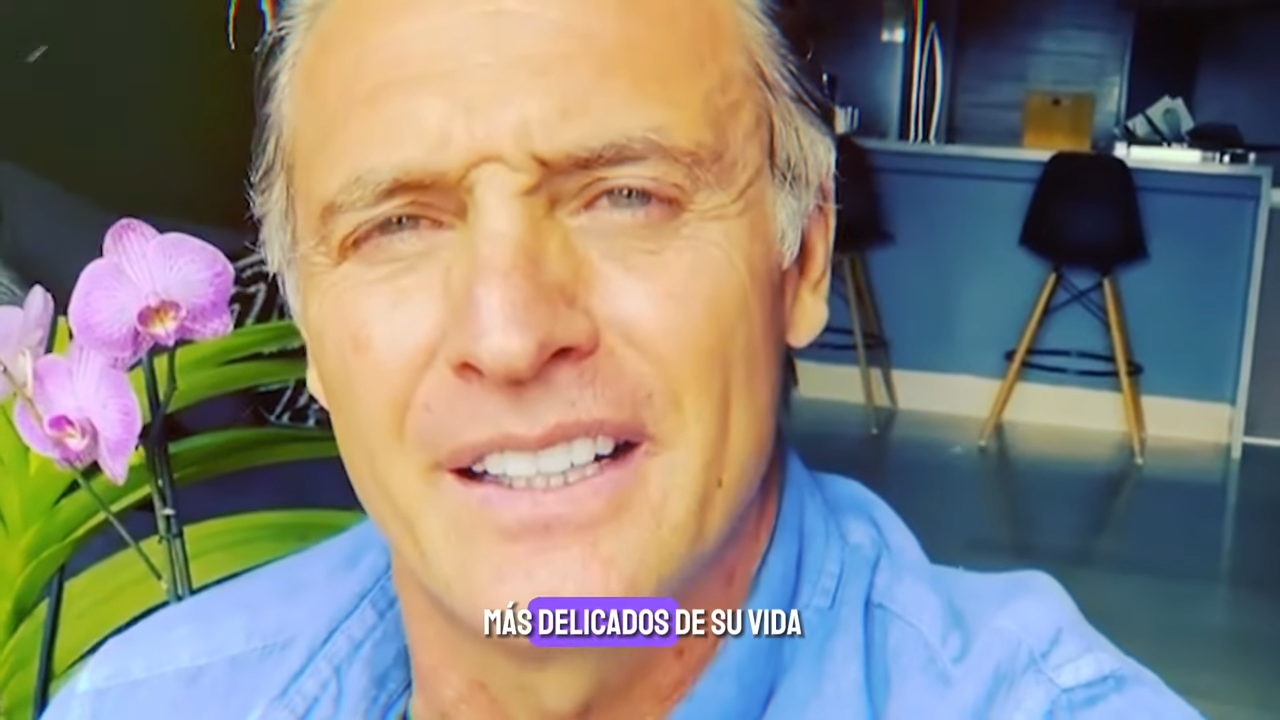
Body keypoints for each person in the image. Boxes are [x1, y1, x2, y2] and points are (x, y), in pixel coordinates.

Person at [42, 0, 1203, 717]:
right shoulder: (144, 702)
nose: (508, 336)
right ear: (310, 330)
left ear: (801, 260)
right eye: (396, 224)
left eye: (626, 196)